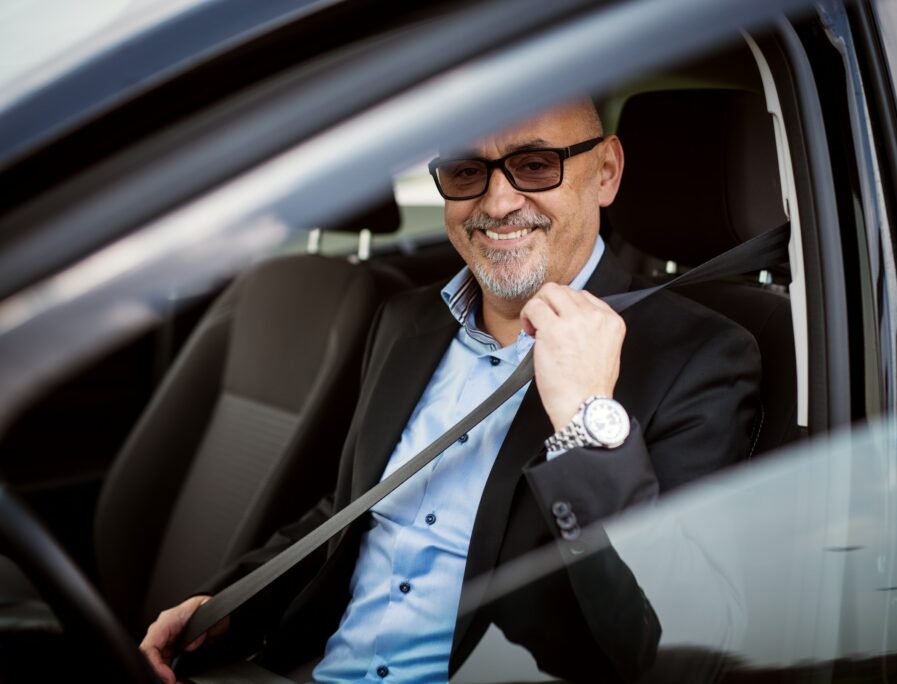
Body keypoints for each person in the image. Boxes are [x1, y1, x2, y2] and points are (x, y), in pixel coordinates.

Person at [140, 98, 761, 683]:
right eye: (466, 171)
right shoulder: (405, 321)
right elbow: (352, 507)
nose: (496, 201)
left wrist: (584, 418)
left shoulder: (698, 356)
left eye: (535, 164)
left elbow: (683, 641)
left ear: (605, 172)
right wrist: (229, 604)